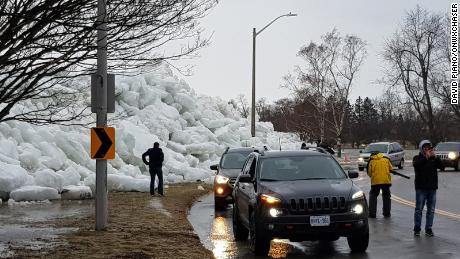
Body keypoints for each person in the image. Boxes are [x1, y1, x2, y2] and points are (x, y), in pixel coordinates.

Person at [412, 140, 442, 237]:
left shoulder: (433, 159)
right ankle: (417, 228)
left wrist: (436, 157)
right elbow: (417, 165)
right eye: (425, 147)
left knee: (431, 210)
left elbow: (442, 166)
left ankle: (428, 228)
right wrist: (426, 157)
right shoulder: (417, 158)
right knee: (419, 209)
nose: (427, 149)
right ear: (421, 148)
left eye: (428, 148)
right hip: (421, 188)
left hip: (432, 188)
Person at [366, 151, 393, 218]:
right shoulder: (386, 159)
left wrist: (373, 176)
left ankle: (372, 213)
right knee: (386, 196)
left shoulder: (371, 161)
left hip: (376, 181)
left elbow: (369, 172)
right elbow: (391, 169)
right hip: (386, 181)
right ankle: (387, 213)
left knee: (373, 196)